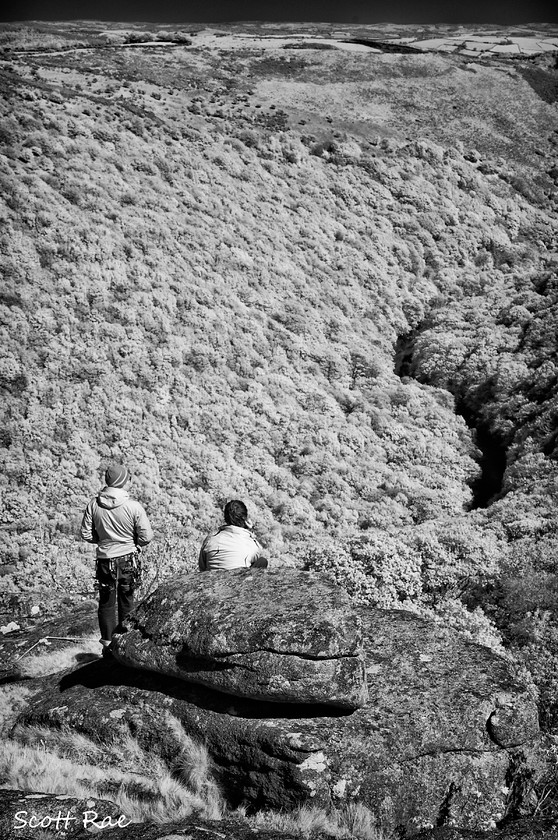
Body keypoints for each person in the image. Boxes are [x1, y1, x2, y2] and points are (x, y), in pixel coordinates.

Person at [81, 464, 153, 658]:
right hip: (127, 558)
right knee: (127, 601)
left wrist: (103, 540)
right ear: (123, 481)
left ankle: (107, 645)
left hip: (105, 559)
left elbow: (86, 533)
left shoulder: (94, 504)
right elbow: (146, 537)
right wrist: (133, 542)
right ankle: (126, 643)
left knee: (106, 603)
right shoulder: (133, 506)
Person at [199, 500, 268, 571]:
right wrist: (251, 531)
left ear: (225, 518)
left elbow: (202, 567)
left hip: (211, 579)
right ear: (245, 519)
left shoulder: (210, 539)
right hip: (239, 580)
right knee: (262, 561)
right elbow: (259, 552)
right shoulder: (250, 543)